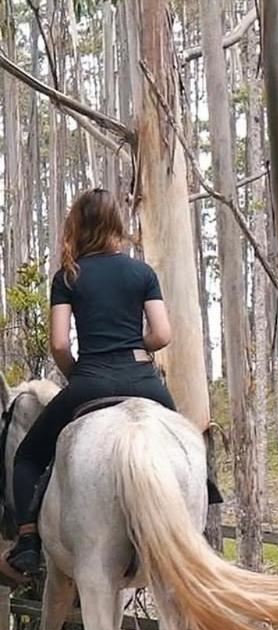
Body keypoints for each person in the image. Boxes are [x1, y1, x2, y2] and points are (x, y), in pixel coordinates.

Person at [0, 188, 177, 584]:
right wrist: (133, 346)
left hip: (90, 381)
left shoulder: (69, 276)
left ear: (77, 226)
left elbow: (60, 344)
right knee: (186, 443)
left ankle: (27, 543)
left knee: (27, 458)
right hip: (143, 381)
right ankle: (198, 508)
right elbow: (162, 334)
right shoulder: (142, 273)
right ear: (116, 223)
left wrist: (78, 373)